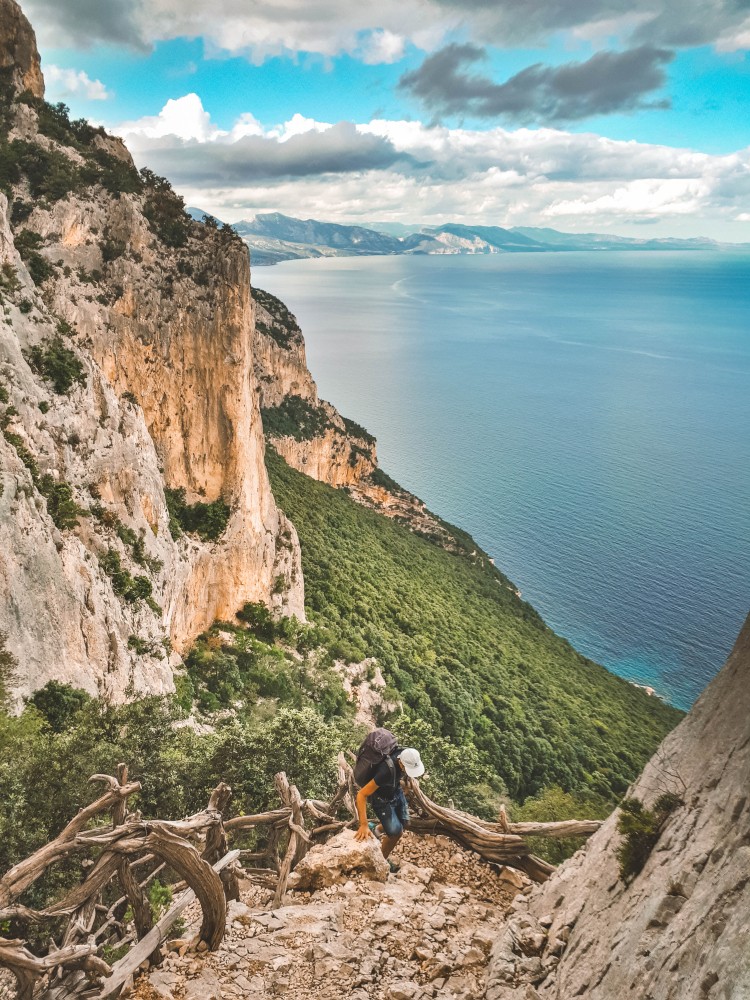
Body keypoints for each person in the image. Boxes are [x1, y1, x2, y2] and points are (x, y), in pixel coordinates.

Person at [354, 746, 425, 869]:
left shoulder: (405, 753)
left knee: (405, 822)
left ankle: (375, 829)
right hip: (381, 799)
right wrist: (363, 824)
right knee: (396, 833)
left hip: (394, 790)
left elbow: (404, 773)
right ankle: (381, 862)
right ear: (401, 763)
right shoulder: (385, 771)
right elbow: (361, 794)